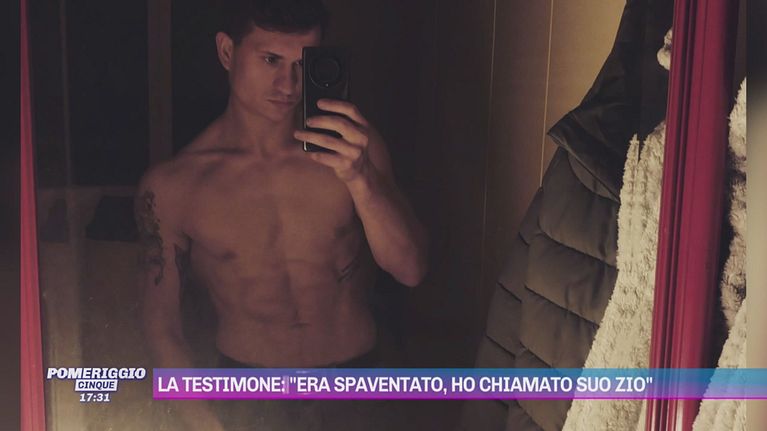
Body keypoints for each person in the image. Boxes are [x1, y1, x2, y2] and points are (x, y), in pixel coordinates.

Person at [133, 0, 427, 429]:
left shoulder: (351, 150)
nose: (288, 84)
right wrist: (201, 420)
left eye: (301, 63)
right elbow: (162, 324)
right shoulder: (175, 185)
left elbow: (411, 270)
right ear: (227, 52)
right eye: (270, 59)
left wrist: (360, 178)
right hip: (249, 393)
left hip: (356, 384)